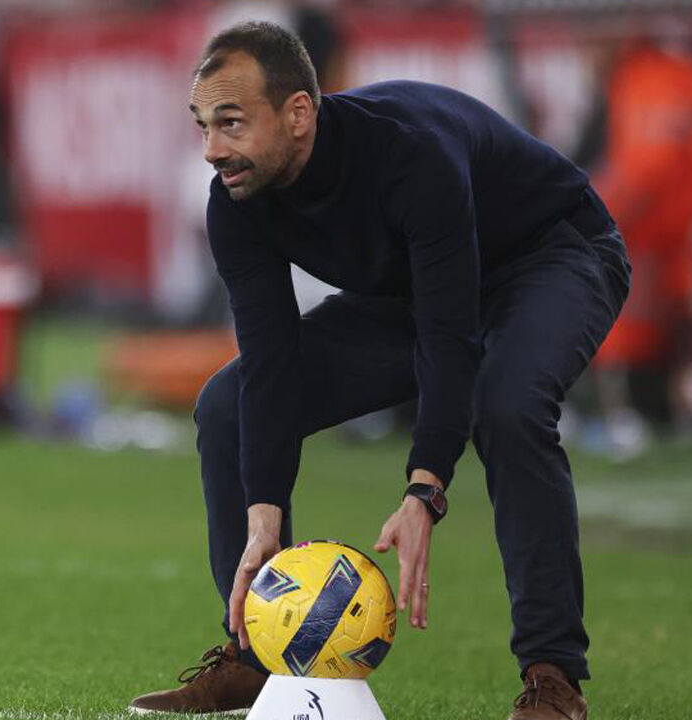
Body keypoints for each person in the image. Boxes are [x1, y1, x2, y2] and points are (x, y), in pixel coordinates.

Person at [130, 22, 629, 720]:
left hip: (552, 256)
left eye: (232, 123)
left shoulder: (409, 155)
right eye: (204, 125)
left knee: (507, 406)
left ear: (299, 113)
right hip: (415, 292)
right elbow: (272, 359)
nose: (213, 149)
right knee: (229, 404)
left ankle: (553, 680)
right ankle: (254, 657)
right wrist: (263, 516)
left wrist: (425, 489)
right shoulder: (237, 198)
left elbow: (450, 336)